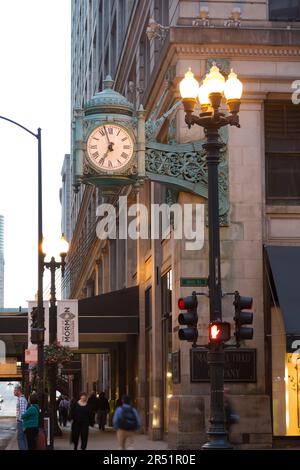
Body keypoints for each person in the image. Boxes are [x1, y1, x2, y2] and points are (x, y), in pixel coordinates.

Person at [14, 384, 28, 450]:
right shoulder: (21, 399)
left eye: (15, 390)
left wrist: (23, 425)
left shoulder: (21, 399)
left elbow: (23, 413)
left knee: (20, 439)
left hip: (21, 422)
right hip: (21, 422)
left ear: (18, 391)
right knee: (23, 438)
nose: (13, 392)